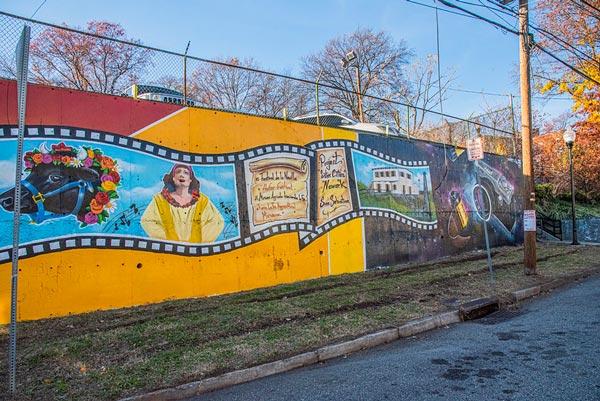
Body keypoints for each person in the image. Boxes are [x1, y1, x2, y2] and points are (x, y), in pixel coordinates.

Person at [141, 163, 224, 243]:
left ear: (190, 180)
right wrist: (165, 239)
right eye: (178, 172)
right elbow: (147, 221)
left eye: (186, 172)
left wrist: (201, 240)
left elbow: (217, 221)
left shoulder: (202, 201)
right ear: (173, 178)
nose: (181, 175)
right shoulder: (160, 200)